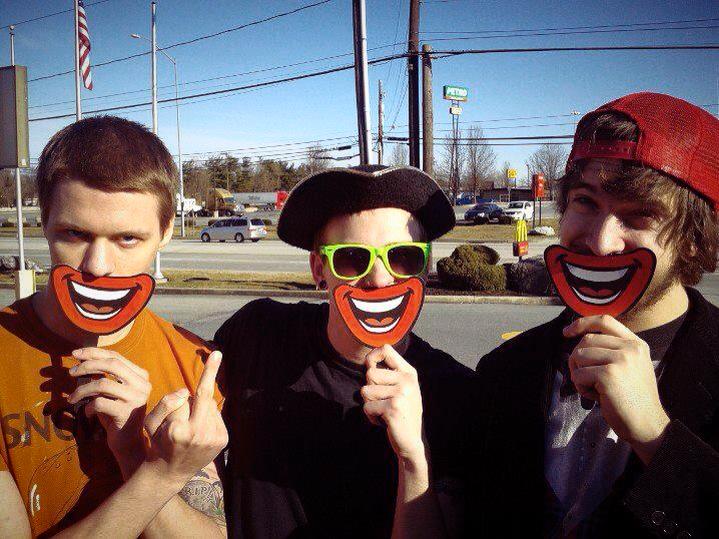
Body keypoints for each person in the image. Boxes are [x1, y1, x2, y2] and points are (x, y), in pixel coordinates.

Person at [467, 92, 719, 538]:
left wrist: (656, 438)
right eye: (586, 201)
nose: (602, 243)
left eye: (640, 215)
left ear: (695, 239)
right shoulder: (505, 371)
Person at [215, 165, 474, 538]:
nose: (380, 278)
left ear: (425, 268)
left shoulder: (457, 392)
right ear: (319, 268)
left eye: (404, 257)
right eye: (352, 258)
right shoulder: (256, 333)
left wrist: (414, 459)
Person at [0, 116, 228, 537]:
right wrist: (159, 476)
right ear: (44, 222)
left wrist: (131, 452)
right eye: (75, 233)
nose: (97, 267)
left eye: (127, 239)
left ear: (165, 233)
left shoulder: (190, 361)